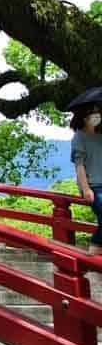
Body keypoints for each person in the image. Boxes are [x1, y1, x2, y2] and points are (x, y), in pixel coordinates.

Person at [72, 103, 102, 255]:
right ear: (85, 117)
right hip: (93, 187)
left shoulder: (100, 135)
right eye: (93, 113)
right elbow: (79, 165)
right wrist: (85, 189)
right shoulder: (79, 136)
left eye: (99, 112)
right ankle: (91, 256)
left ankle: (95, 256)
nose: (97, 116)